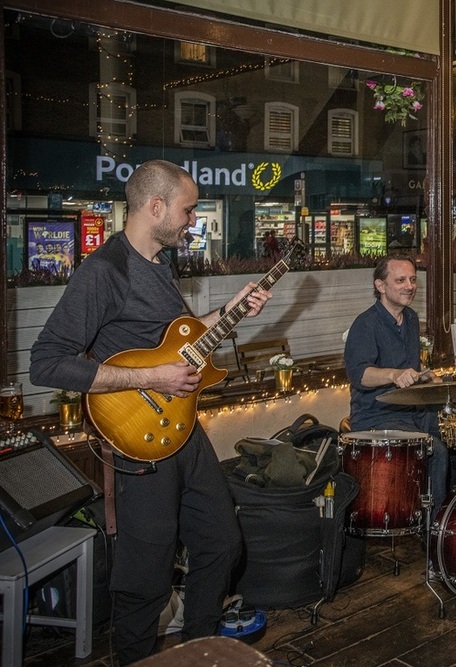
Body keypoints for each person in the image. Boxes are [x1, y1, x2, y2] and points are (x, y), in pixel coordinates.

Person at [29, 160, 272, 664]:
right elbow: (46, 363)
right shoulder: (104, 273)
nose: (193, 220)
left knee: (222, 544)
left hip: (183, 429)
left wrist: (231, 309)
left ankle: (200, 652)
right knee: (145, 579)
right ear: (155, 207)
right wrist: (150, 379)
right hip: (138, 439)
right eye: (187, 210)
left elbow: (176, 341)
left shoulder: (162, 262)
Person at [343, 254, 448, 517]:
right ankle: (433, 531)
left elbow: (409, 367)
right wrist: (393, 375)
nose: (409, 286)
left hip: (411, 411)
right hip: (376, 416)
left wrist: (424, 376)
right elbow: (359, 375)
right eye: (400, 280)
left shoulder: (410, 318)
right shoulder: (365, 324)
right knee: (435, 450)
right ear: (380, 285)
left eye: (412, 279)